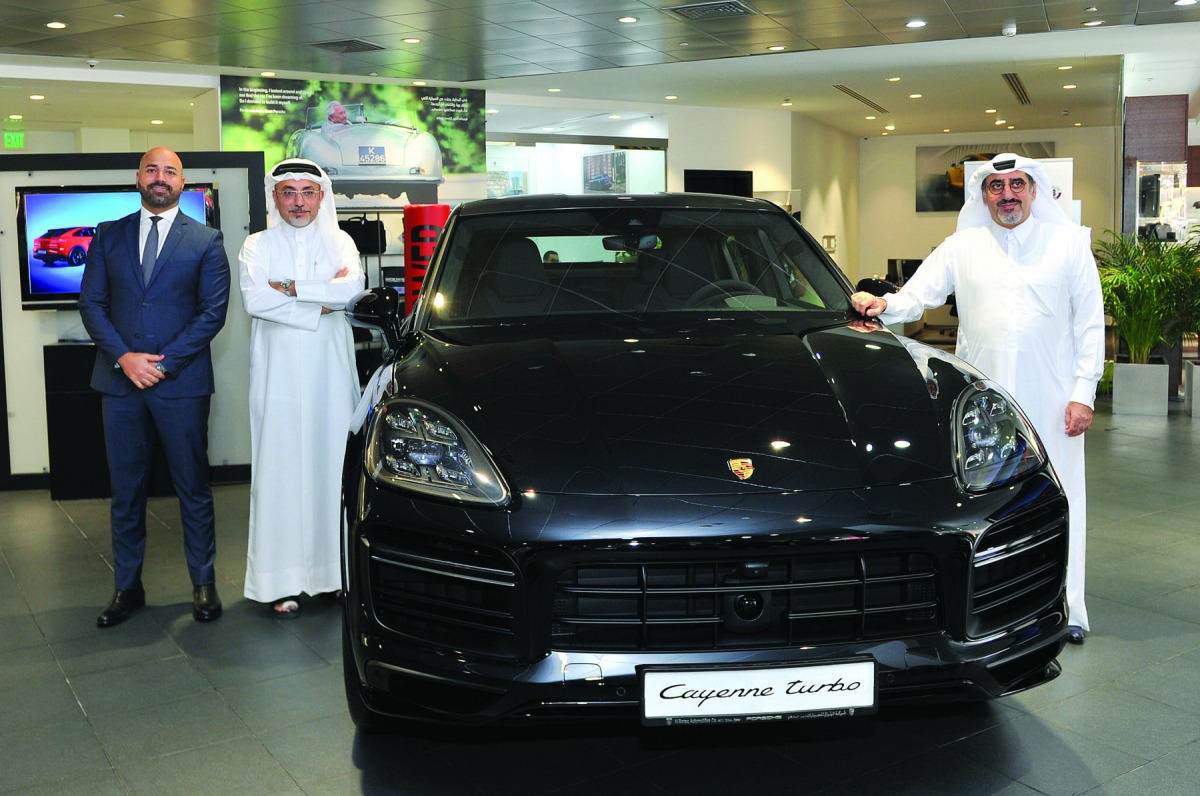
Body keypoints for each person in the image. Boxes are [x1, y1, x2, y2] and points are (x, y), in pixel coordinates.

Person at [850, 153, 1105, 645]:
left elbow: (1090, 326)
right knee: (986, 504)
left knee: (1061, 496)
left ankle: (1067, 604)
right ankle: (990, 604)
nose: (1006, 195)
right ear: (983, 195)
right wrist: (884, 305)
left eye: (1016, 185)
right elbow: (916, 296)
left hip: (1051, 400)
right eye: (996, 187)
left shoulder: (1069, 245)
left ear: (1034, 191)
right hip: (981, 405)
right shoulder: (962, 246)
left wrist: (1083, 394)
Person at [79, 147, 231, 628]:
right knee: (125, 492)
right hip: (120, 383)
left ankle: (203, 584)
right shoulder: (108, 235)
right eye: (152, 170)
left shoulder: (206, 240)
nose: (160, 178)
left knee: (193, 488)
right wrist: (125, 358)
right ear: (138, 178)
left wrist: (161, 366)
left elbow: (212, 313)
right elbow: (92, 305)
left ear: (183, 182)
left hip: (180, 385)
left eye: (170, 171)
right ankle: (127, 587)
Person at [238, 158, 365, 617]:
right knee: (280, 470)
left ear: (321, 196)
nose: (297, 202)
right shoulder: (257, 244)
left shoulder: (342, 241)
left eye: (306, 192)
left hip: (330, 375)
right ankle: (279, 581)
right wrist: (317, 299)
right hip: (277, 378)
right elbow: (255, 299)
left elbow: (351, 291)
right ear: (275, 198)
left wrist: (288, 288)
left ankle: (334, 577)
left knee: (333, 466)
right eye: (288, 192)